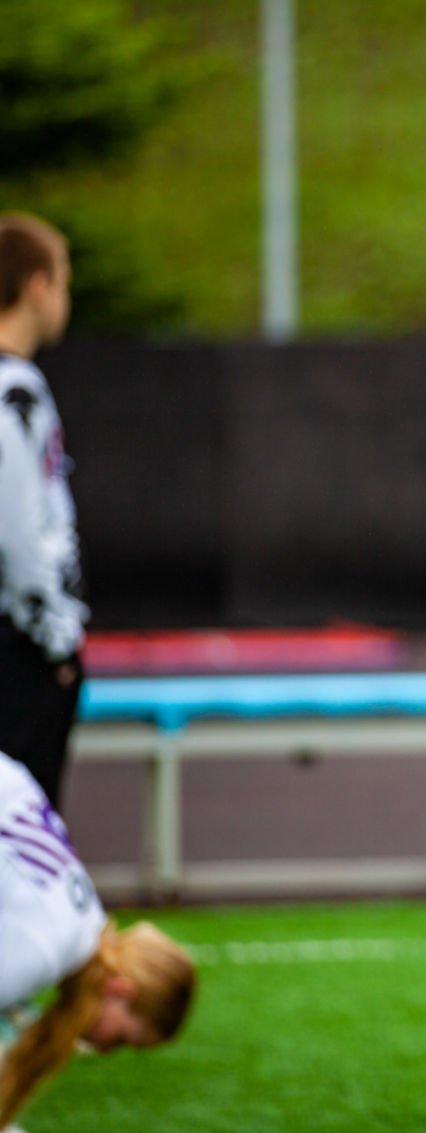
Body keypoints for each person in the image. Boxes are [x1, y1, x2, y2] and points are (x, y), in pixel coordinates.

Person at [0, 750, 196, 1129]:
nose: (104, 1050)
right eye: (119, 1039)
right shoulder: (43, 950)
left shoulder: (82, 917)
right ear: (120, 990)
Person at [0, 214, 87, 810]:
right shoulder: (14, 392)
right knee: (23, 829)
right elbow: (18, 534)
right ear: (37, 285)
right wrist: (56, 641)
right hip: (18, 649)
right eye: (63, 281)